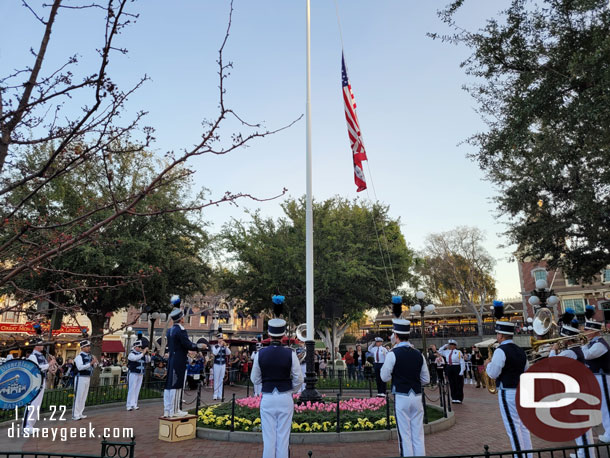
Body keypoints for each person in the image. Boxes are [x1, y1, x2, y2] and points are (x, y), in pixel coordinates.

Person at [250, 295, 303, 458]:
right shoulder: (291, 353)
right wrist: (289, 389)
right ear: (282, 335)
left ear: (269, 333)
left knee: (269, 437)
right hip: (285, 396)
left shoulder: (260, 354)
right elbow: (299, 379)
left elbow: (254, 379)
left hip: (267, 396)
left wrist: (266, 383)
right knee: (283, 437)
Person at [484, 301, 532, 457]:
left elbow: (493, 373)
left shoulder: (500, 351)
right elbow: (526, 370)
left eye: (497, 334)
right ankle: (528, 455)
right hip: (521, 390)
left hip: (507, 391)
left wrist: (487, 364)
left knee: (513, 427)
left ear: (501, 335)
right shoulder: (520, 350)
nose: (497, 337)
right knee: (524, 426)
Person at [381, 318, 429, 457]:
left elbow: (384, 377)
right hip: (417, 396)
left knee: (404, 435)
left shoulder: (392, 354)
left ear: (396, 336)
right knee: (418, 434)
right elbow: (426, 379)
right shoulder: (418, 354)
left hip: (402, 396)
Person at [550, 311, 595, 458]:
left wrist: (552, 350)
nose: (560, 342)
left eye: (562, 339)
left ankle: (585, 454)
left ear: (568, 340)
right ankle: (585, 453)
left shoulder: (570, 353)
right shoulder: (578, 349)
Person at [163, 296, 206, 418]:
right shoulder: (181, 331)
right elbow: (187, 344)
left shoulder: (169, 331)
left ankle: (167, 410)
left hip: (172, 358)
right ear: (181, 319)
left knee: (169, 384)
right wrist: (199, 346)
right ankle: (174, 410)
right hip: (179, 360)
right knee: (177, 385)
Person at [580, 304, 610, 443]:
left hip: (603, 377)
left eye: (586, 330)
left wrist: (583, 344)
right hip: (598, 377)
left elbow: (587, 355)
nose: (584, 332)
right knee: (602, 405)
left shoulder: (599, 344)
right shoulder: (594, 342)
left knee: (606, 406)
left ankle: (609, 433)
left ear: (593, 331)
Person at [23, 338, 49, 433]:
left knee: (37, 405)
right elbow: (35, 368)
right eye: (41, 344)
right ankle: (27, 426)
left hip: (41, 381)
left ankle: (31, 425)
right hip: (35, 382)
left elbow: (44, 367)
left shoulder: (41, 356)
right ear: (36, 346)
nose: (43, 345)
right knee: (33, 404)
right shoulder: (33, 356)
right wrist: (49, 365)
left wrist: (51, 367)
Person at [72, 340, 98, 420]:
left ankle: (80, 413)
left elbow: (95, 366)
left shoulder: (90, 356)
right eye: (87, 346)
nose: (89, 348)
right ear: (82, 347)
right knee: (79, 396)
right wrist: (90, 363)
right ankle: (75, 414)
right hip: (80, 377)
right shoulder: (79, 357)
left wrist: (95, 362)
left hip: (87, 377)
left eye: (89, 346)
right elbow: (80, 367)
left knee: (84, 396)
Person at [438, 339, 465, 403]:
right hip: (449, 367)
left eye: (452, 345)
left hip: (456, 367)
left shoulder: (458, 352)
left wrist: (462, 371)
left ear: (455, 346)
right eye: (450, 345)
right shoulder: (447, 351)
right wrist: (444, 346)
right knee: (452, 383)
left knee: (458, 383)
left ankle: (459, 398)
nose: (450, 346)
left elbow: (462, 362)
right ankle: (454, 397)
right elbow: (439, 351)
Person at [126, 340, 150, 411]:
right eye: (139, 347)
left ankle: (134, 404)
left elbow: (148, 360)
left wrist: (147, 354)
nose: (140, 348)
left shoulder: (141, 354)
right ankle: (129, 405)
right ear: (135, 347)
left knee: (137, 389)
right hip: (133, 373)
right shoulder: (131, 354)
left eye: (141, 347)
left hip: (140, 374)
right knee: (131, 389)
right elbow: (135, 358)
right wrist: (143, 353)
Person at [212, 331, 231, 400]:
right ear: (217, 339)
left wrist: (226, 347)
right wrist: (220, 346)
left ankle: (220, 395)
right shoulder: (215, 346)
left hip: (223, 364)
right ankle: (215, 394)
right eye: (220, 338)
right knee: (216, 379)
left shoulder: (224, 346)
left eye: (222, 338)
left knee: (221, 379)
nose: (221, 340)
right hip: (216, 364)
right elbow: (215, 353)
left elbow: (229, 353)